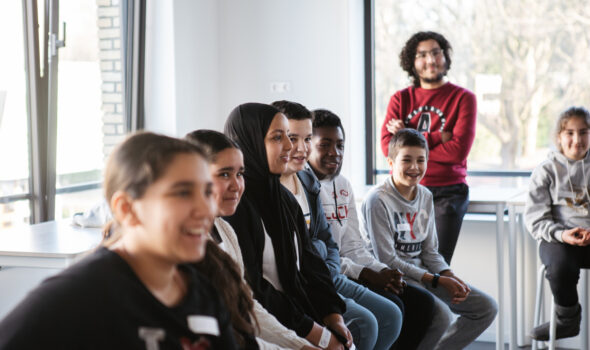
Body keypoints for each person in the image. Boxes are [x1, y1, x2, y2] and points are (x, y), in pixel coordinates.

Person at [0, 132, 237, 349]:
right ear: (126, 209)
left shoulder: (205, 294)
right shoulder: (76, 298)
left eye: (207, 192)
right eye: (183, 193)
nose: (205, 210)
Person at [273, 100, 402, 350]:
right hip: (315, 279)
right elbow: (306, 252)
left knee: (393, 313)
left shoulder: (312, 183)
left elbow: (331, 242)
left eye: (307, 139)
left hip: (329, 272)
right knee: (368, 323)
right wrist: (360, 272)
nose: (299, 148)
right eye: (291, 138)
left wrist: (373, 269)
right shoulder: (282, 189)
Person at [224, 103, 353, 350]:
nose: (290, 146)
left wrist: (332, 314)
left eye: (288, 136)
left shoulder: (282, 198)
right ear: (249, 141)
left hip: (299, 315)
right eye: (277, 137)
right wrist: (315, 333)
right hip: (269, 327)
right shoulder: (235, 208)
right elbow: (256, 291)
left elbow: (310, 262)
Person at [307, 109, 435, 350]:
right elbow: (322, 257)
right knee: (391, 310)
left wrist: (384, 271)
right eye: (325, 145)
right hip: (331, 276)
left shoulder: (343, 185)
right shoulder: (303, 188)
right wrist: (366, 273)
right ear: (307, 146)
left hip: (350, 270)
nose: (335, 153)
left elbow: (353, 246)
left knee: (422, 304)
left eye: (340, 145)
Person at [362, 129, 497, 350]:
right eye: (406, 160)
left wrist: (450, 276)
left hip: (425, 274)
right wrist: (437, 280)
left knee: (486, 307)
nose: (414, 167)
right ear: (391, 162)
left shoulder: (425, 195)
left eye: (420, 160)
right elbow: (388, 260)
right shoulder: (377, 200)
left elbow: (430, 251)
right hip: (395, 277)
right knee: (441, 315)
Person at [186, 129, 317, 350]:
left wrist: (299, 345)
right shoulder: (187, 246)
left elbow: (247, 306)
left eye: (240, 174)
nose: (237, 186)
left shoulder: (225, 230)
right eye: (224, 174)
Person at [380, 31, 476, 264]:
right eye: (422, 54)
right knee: (399, 263)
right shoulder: (400, 100)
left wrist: (407, 135)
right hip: (403, 192)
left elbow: (457, 151)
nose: (431, 60)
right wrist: (437, 137)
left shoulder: (463, 98)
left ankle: (437, 301)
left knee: (437, 264)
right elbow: (387, 148)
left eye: (436, 52)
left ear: (445, 57)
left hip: (447, 193)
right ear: (411, 62)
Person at [525, 106, 590, 341]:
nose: (577, 140)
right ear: (559, 137)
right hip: (559, 239)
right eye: (569, 133)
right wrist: (563, 235)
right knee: (560, 265)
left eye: (583, 132)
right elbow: (535, 219)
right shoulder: (545, 171)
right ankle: (567, 319)